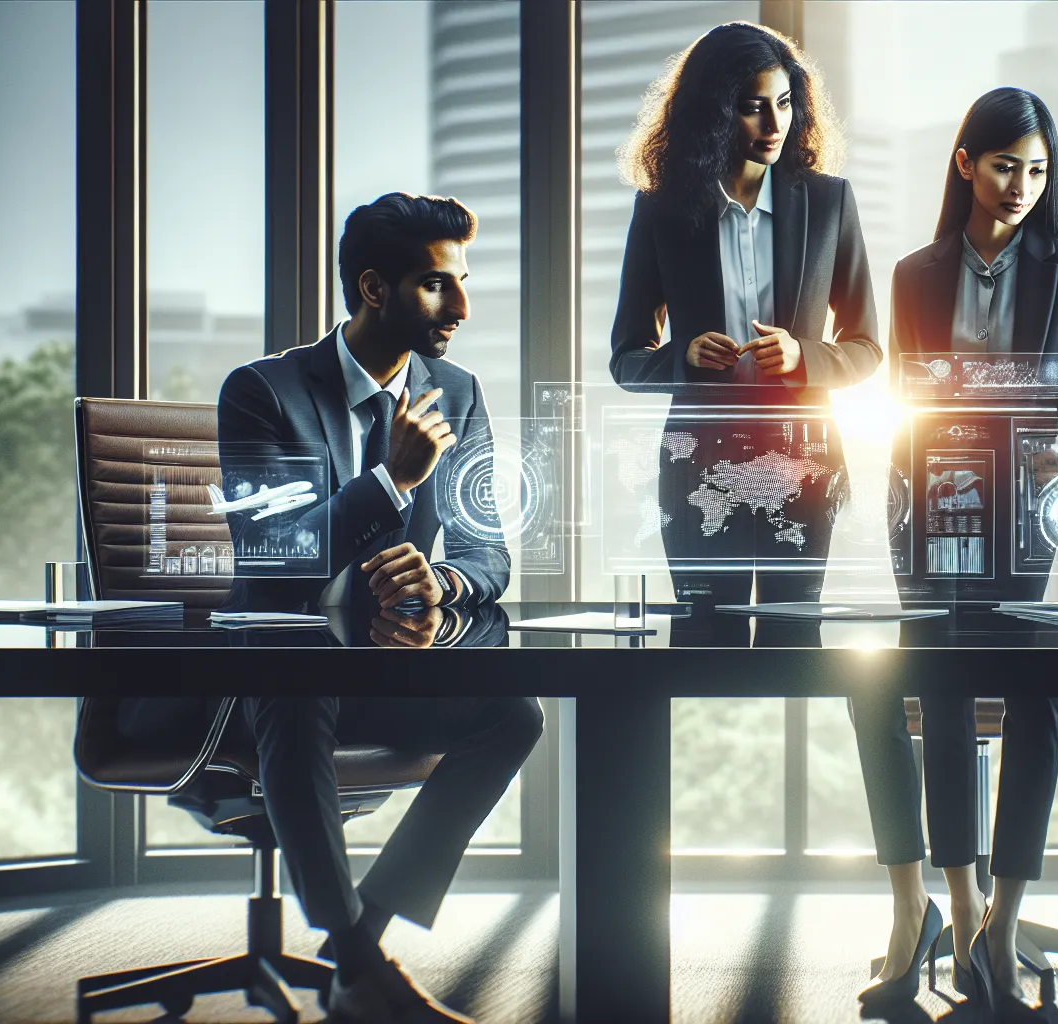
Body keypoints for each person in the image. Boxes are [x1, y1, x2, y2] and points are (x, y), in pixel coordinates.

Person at [214, 192, 543, 1024]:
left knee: (514, 713)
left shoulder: (456, 394)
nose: (461, 308)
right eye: (437, 286)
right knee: (296, 685)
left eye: (462, 282)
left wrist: (442, 585)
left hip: (389, 669)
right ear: (372, 288)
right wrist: (390, 481)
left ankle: (357, 940)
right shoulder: (262, 393)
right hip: (272, 677)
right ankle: (365, 973)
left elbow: (487, 552)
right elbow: (272, 559)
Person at [850, 88, 1058, 1020]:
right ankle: (954, 908)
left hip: (1025, 511)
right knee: (944, 684)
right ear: (966, 163)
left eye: (1037, 171)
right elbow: (904, 402)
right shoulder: (917, 273)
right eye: (1005, 167)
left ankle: (1005, 918)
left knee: (1035, 681)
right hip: (927, 503)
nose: (1021, 187)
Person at [608, 21, 878, 647]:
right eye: (753, 107)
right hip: (700, 467)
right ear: (712, 113)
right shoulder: (662, 211)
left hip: (805, 463)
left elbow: (866, 347)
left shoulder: (830, 202)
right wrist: (683, 356)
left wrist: (803, 355)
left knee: (794, 650)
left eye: (784, 103)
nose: (774, 123)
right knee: (703, 651)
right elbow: (627, 359)